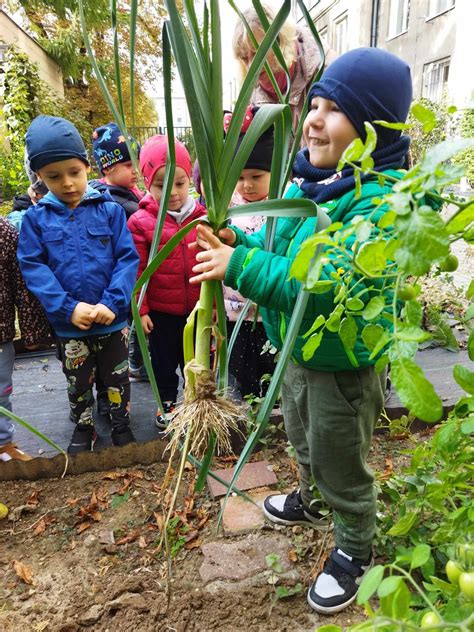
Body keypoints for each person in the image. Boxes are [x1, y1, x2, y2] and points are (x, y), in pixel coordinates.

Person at [190, 48, 414, 614]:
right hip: (300, 347)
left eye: (335, 108)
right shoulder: (323, 185)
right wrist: (240, 246)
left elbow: (315, 285)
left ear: (375, 128)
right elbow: (287, 253)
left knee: (340, 454)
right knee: (303, 434)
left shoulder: (378, 205)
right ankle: (313, 499)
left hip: (343, 361)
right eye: (314, 102)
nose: (312, 118)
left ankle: (354, 547)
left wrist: (236, 269)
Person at [18, 115, 140, 454]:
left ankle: (120, 424)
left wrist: (111, 303)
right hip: (70, 326)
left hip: (111, 320)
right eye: (54, 177)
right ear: (39, 177)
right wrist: (68, 308)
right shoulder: (36, 219)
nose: (68, 183)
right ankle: (84, 426)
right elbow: (34, 268)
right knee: (78, 380)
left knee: (117, 377)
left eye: (75, 172)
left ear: (87, 166)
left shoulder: (110, 211)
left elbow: (126, 259)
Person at [127, 135, 206, 429]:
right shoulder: (141, 222)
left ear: (189, 181)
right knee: (163, 362)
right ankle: (167, 404)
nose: (172, 192)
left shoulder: (202, 217)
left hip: (197, 307)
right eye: (162, 185)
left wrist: (212, 305)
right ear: (148, 184)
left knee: (196, 359)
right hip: (161, 310)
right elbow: (137, 269)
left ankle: (198, 402)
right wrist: (142, 309)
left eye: (180, 183)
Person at [224, 106, 276, 401]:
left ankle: (272, 420)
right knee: (243, 373)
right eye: (241, 176)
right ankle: (250, 415)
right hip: (236, 314)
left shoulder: (285, 207)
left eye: (256, 175)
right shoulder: (228, 208)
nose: (247, 184)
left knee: (272, 370)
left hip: (269, 310)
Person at [90, 122, 147, 387]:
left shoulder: (129, 193)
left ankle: (135, 363)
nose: (136, 170)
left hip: (135, 268)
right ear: (109, 166)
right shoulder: (111, 201)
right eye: (128, 165)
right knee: (135, 320)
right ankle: (136, 364)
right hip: (124, 275)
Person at [232, 1, 336, 130]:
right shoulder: (251, 95)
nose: (251, 66)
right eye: (244, 58)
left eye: (258, 53)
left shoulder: (326, 72)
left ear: (280, 41)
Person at [0, 217, 51, 462]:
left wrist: (31, 331)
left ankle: (3, 445)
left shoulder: (4, 232)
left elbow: (21, 285)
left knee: (1, 392)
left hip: (0, 333)